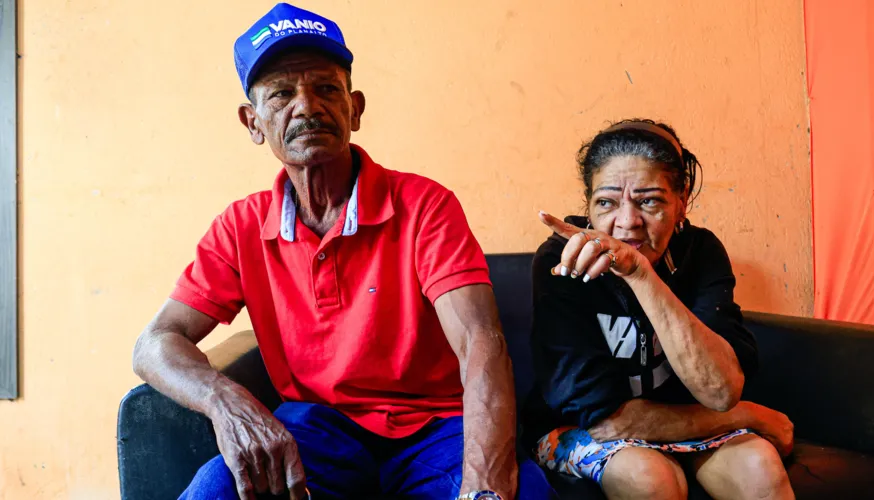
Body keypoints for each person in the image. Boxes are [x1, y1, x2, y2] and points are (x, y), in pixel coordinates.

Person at [131, 4, 556, 500]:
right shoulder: (241, 226)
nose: (307, 106)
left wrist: (483, 488)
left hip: (437, 430)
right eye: (282, 94)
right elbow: (155, 343)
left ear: (355, 108)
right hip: (316, 431)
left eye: (326, 89)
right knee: (214, 491)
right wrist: (225, 401)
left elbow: (482, 342)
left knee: (522, 494)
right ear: (253, 122)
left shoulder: (424, 205)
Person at [526, 119, 796, 500]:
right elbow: (605, 421)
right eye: (606, 202)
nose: (626, 223)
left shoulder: (699, 252)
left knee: (759, 467)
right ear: (587, 206)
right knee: (650, 478)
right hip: (573, 429)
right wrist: (748, 415)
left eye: (649, 201)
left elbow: (720, 390)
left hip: (689, 421)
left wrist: (642, 276)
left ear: (681, 203)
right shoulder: (561, 260)